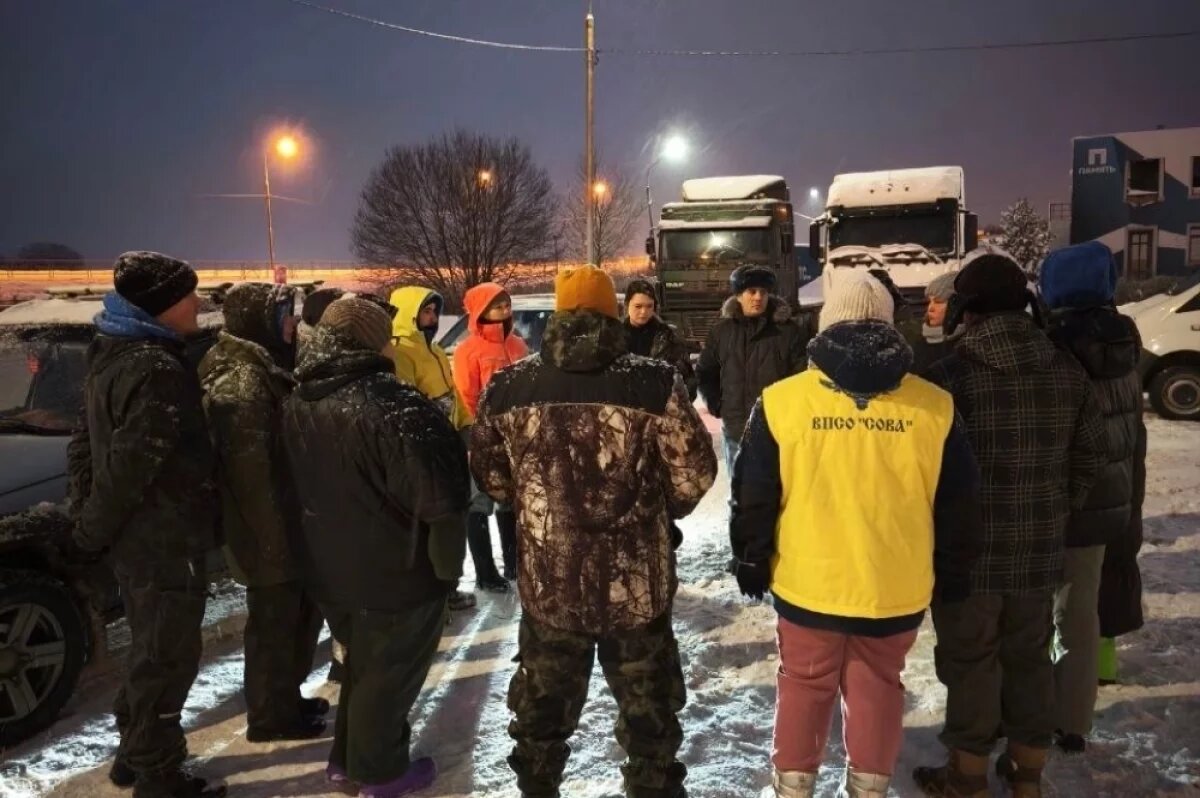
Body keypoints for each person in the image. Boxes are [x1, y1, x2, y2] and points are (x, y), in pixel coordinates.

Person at [731, 271, 982, 798]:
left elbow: (754, 493)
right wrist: (954, 570)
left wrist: (752, 557)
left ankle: (793, 786)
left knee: (803, 685)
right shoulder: (935, 406)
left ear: (827, 323)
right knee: (878, 687)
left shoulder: (781, 401)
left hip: (808, 583)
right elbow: (959, 503)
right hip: (894, 586)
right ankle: (869, 788)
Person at [471, 266, 718, 798]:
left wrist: (539, 510)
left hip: (551, 588)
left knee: (542, 716)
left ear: (558, 314)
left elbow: (492, 479)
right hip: (636, 590)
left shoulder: (509, 387)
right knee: (649, 722)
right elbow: (694, 475)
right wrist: (661, 509)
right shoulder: (654, 382)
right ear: (612, 313)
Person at [913, 252, 1107, 798]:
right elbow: (1092, 454)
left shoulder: (945, 377)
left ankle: (967, 778)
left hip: (966, 559)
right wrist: (1055, 506)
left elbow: (922, 469)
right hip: (1039, 551)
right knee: (1030, 660)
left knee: (970, 663)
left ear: (967, 310)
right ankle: (1027, 778)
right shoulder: (1067, 369)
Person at [282, 297, 470, 797]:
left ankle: (347, 760)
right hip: (397, 570)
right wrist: (446, 573)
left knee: (364, 668)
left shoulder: (300, 400)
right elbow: (442, 501)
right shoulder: (396, 405)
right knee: (388, 677)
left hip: (329, 568)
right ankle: (382, 773)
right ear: (373, 340)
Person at [67, 252, 225, 798]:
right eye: (188, 297)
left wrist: (87, 517)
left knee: (148, 648)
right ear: (161, 306)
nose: (198, 305)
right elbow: (129, 467)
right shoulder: (156, 369)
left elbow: (85, 446)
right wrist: (90, 530)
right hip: (163, 540)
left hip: (140, 542)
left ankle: (134, 753)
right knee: (167, 656)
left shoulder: (113, 352)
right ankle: (158, 773)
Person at [198, 282, 327, 743]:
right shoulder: (241, 377)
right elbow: (249, 473)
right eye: (283, 316)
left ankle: (284, 698)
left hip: (285, 519)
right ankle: (271, 715)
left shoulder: (263, 363)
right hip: (266, 527)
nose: (293, 324)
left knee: (292, 618)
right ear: (259, 321)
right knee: (274, 623)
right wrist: (275, 541)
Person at [1039, 242, 1147, 753]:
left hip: (1053, 500)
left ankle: (1030, 711)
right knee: (1080, 615)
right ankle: (1074, 722)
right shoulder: (1127, 340)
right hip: (1108, 505)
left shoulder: (1055, 343)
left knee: (1031, 615)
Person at [388, 285, 480, 611]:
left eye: (434, 311)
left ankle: (447, 586)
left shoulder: (436, 350)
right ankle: (434, 592)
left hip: (448, 446)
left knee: (452, 521)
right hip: (425, 451)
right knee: (434, 524)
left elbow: (452, 394)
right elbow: (407, 403)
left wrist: (467, 425)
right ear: (409, 314)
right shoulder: (400, 352)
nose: (432, 317)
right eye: (426, 311)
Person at [697, 264, 809, 475]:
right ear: (738, 296)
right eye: (752, 291)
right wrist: (716, 403)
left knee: (775, 496)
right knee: (738, 496)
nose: (758, 297)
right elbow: (706, 371)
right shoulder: (722, 332)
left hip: (776, 430)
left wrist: (791, 413)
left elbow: (802, 377)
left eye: (763, 292)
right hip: (735, 429)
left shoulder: (788, 332)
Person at [453, 282, 527, 589]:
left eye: (507, 305)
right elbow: (465, 396)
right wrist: (477, 435)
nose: (505, 311)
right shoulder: (467, 350)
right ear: (482, 311)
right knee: (479, 502)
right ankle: (485, 572)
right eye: (498, 306)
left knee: (510, 500)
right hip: (483, 435)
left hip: (516, 435)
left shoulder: (518, 346)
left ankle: (513, 563)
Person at [622, 279, 697, 398]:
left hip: (659, 410)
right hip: (622, 410)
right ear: (627, 305)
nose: (643, 312)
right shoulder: (614, 338)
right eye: (638, 306)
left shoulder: (668, 338)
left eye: (649, 306)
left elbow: (689, 383)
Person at [910, 271, 960, 374]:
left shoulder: (966, 346)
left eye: (938, 302)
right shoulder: (917, 344)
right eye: (929, 301)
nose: (930, 308)